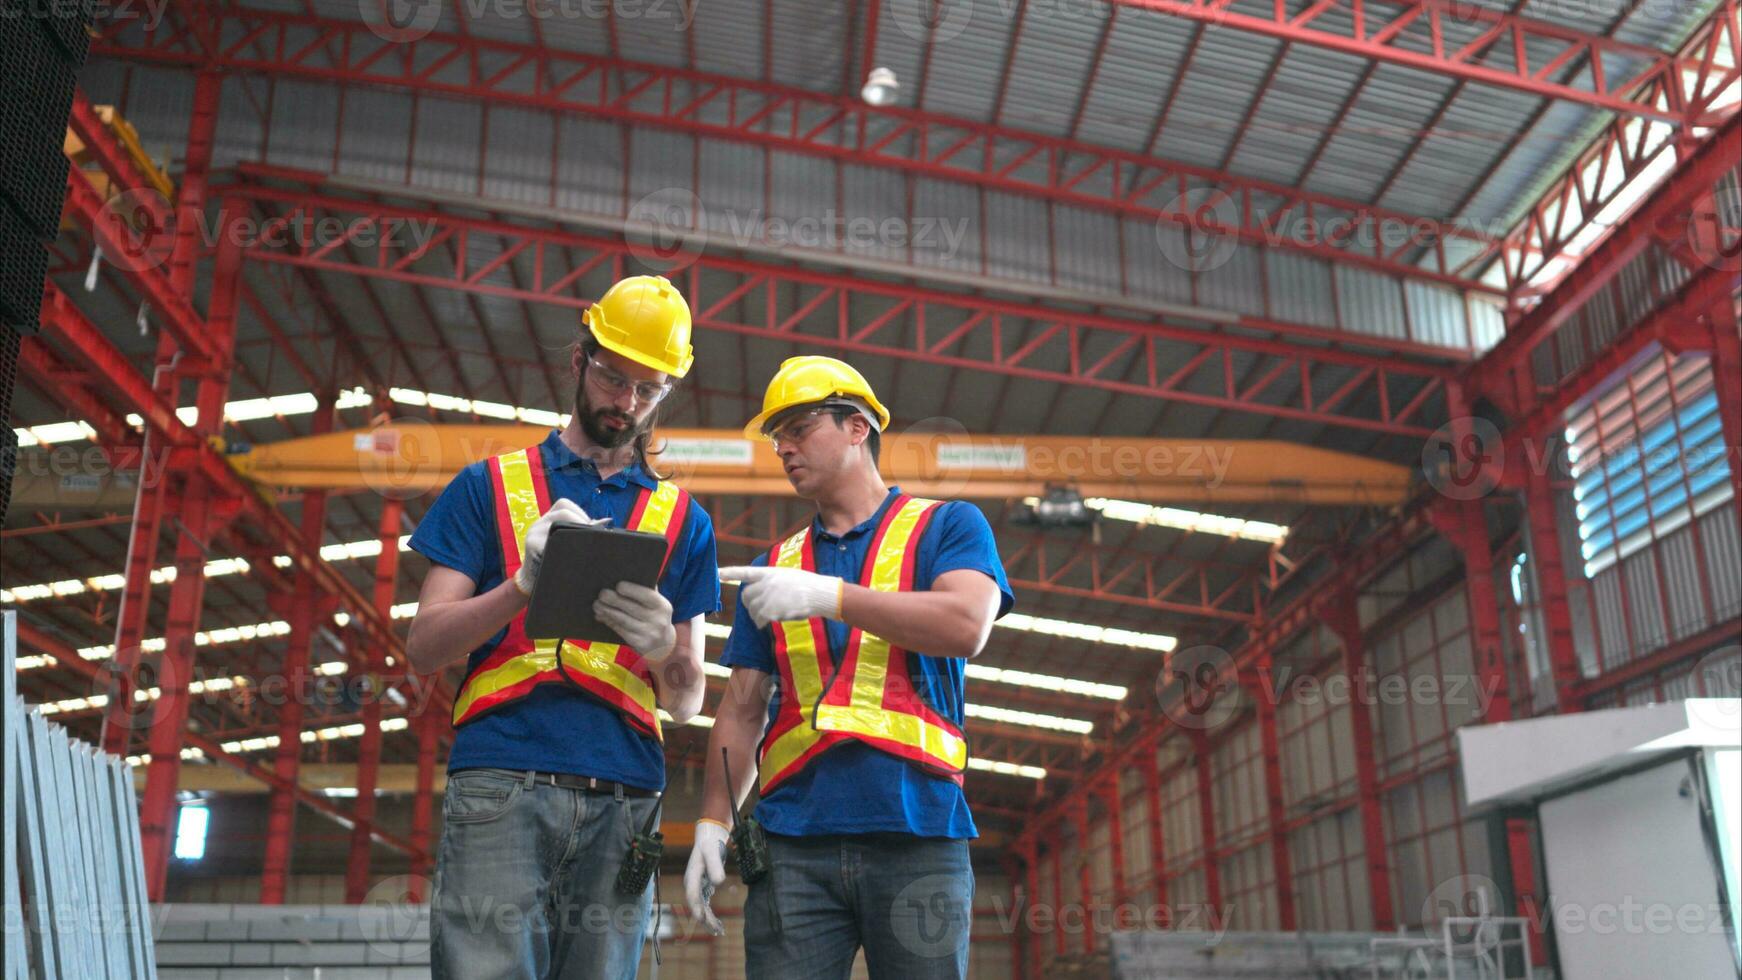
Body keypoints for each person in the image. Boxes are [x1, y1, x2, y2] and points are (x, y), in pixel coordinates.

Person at [405, 275, 719, 980]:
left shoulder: (682, 521)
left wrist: (668, 646)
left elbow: (686, 699)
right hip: (502, 776)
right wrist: (518, 588)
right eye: (614, 379)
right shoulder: (488, 485)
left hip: (625, 792)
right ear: (580, 360)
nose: (628, 403)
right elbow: (424, 645)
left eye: (649, 389)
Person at [683, 355, 1014, 979]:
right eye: (777, 436)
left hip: (918, 831)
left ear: (858, 426)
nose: (783, 447)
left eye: (799, 428)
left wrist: (828, 597)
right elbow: (742, 707)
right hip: (792, 847)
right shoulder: (774, 565)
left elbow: (967, 626)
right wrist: (711, 821)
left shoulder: (947, 527)